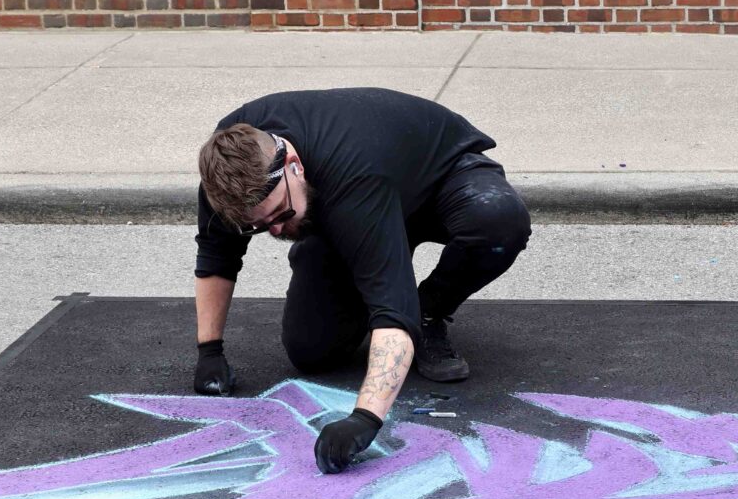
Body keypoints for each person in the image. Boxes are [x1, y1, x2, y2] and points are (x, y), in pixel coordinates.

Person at [189, 89, 533, 475]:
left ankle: (430, 311)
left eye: (281, 215)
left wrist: (365, 418)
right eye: (260, 227)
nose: (277, 230)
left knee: (497, 220)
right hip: (342, 202)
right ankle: (337, 253)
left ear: (294, 166)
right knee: (312, 352)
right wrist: (210, 351)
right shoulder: (227, 169)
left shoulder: (353, 174)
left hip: (439, 180)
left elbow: (392, 309)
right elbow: (216, 255)